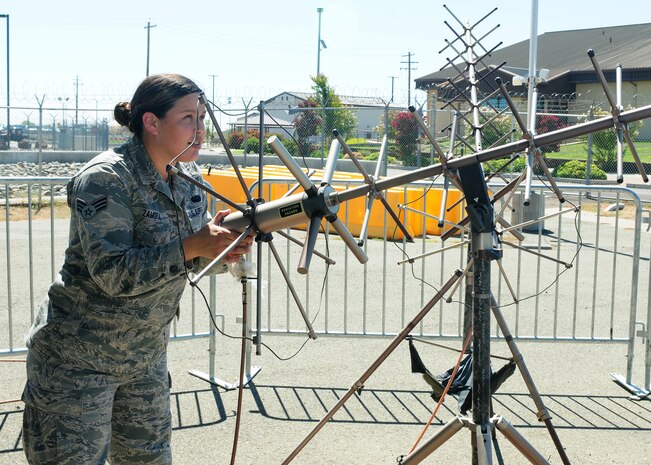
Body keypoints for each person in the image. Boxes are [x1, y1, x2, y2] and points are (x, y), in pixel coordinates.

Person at [21, 73, 252, 465]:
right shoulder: (107, 178)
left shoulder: (188, 178)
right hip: (78, 363)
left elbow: (187, 259)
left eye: (202, 117)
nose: (199, 129)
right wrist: (192, 245)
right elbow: (113, 273)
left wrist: (220, 248)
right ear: (151, 122)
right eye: (187, 118)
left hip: (144, 360)